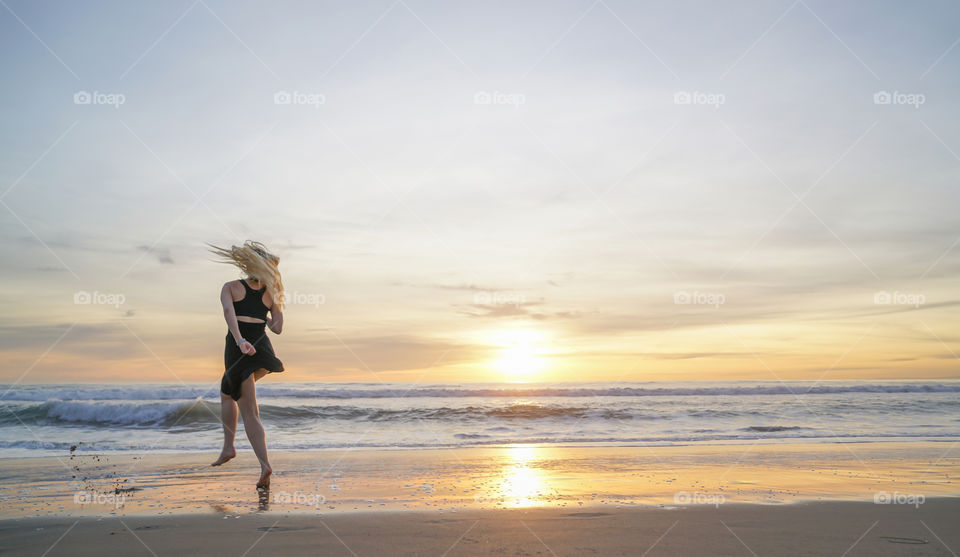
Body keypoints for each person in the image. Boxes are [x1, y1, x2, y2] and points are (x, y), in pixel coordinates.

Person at [207, 240, 285, 489]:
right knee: (227, 392)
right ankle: (228, 447)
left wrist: (240, 340)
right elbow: (277, 328)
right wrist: (276, 308)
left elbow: (229, 314)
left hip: (241, 350)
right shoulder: (269, 294)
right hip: (262, 350)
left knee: (250, 411)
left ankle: (264, 465)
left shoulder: (230, 287)